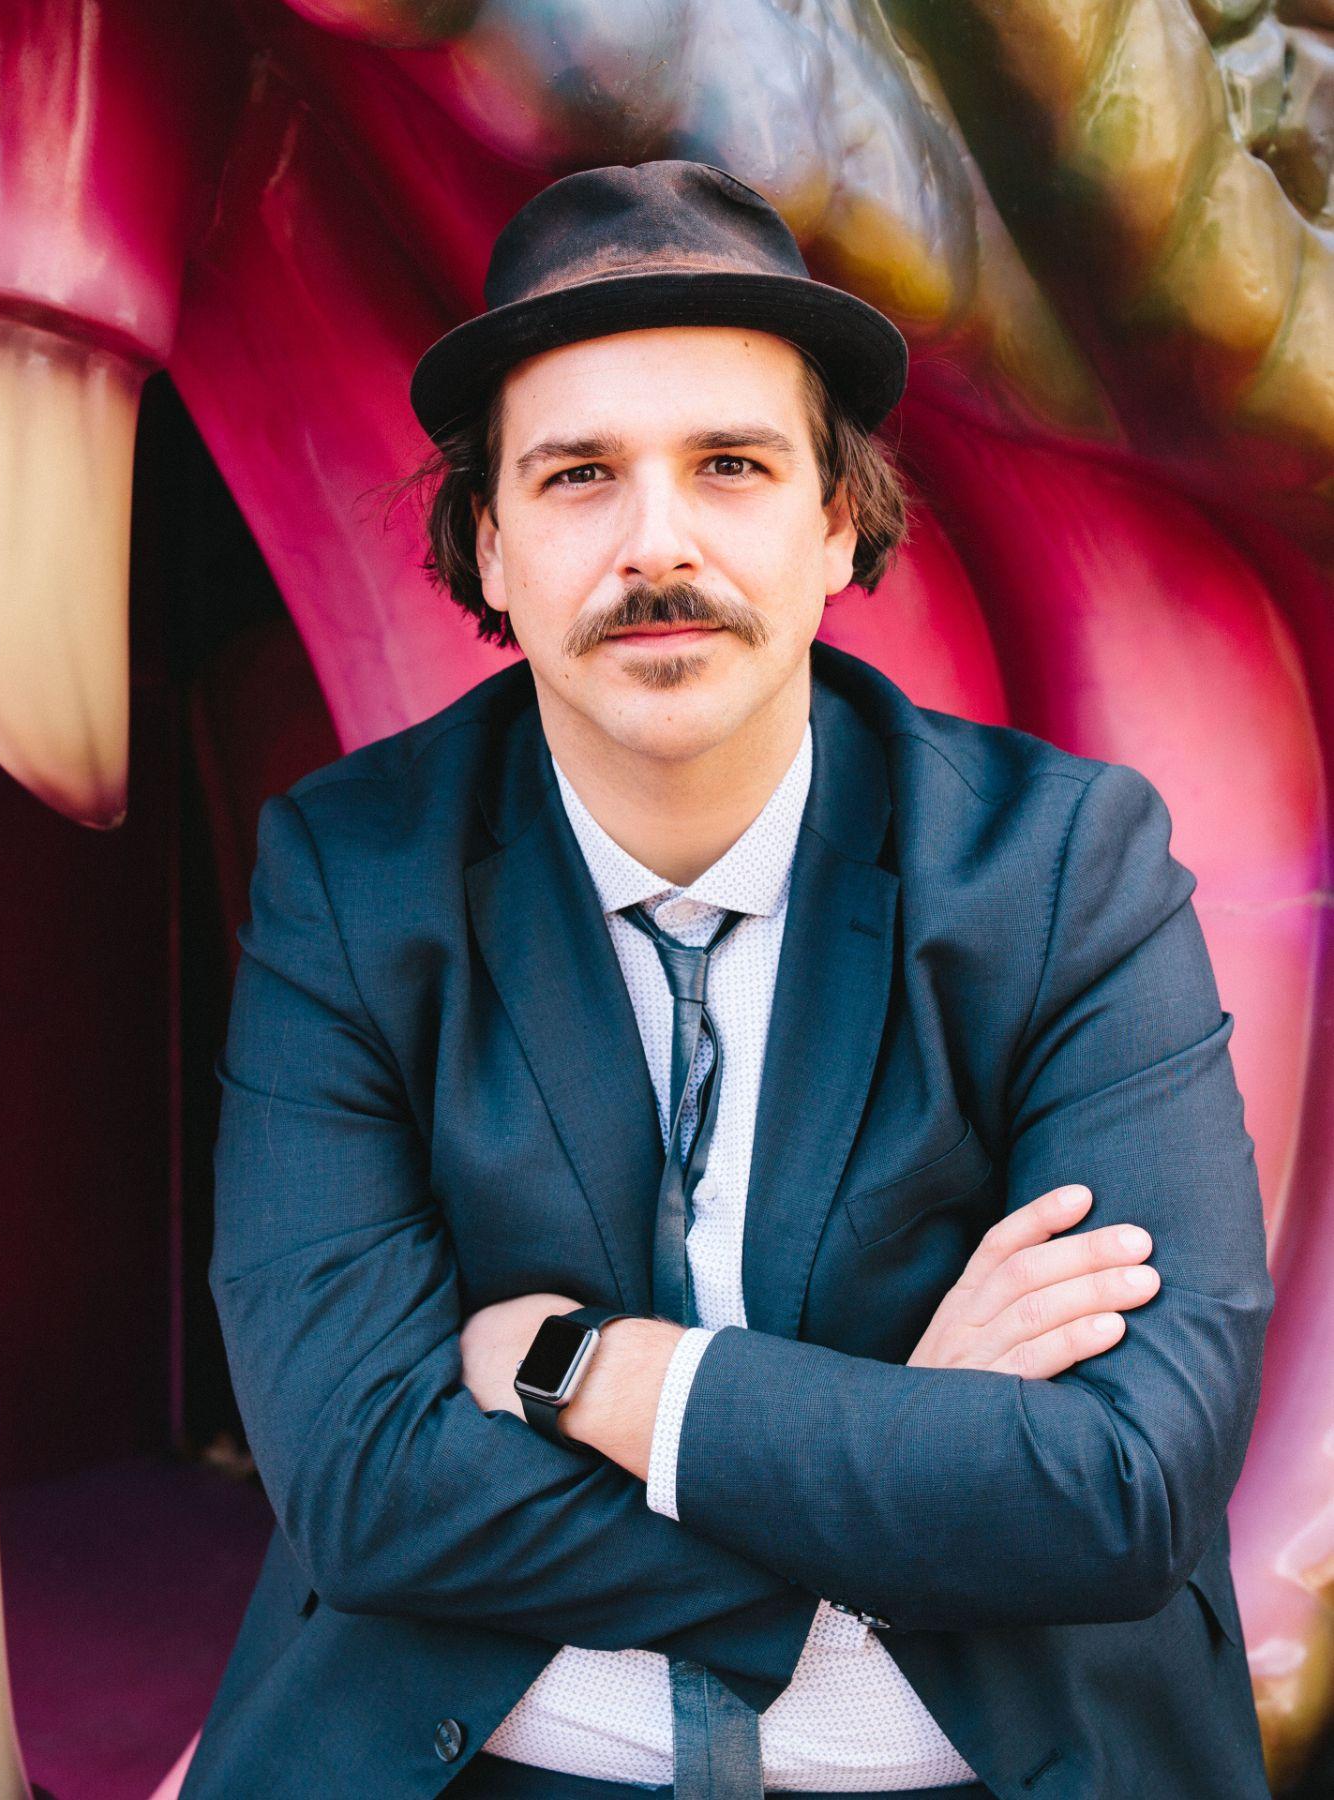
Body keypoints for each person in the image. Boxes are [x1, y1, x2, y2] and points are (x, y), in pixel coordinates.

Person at [180, 161, 1275, 1800]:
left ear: (835, 524)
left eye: (731, 466)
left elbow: (1116, 1490)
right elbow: (365, 1489)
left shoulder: (1061, 869)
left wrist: (584, 1373)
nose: (656, 543)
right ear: (486, 547)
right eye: (576, 477)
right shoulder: (350, 876)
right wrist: (904, 1453)